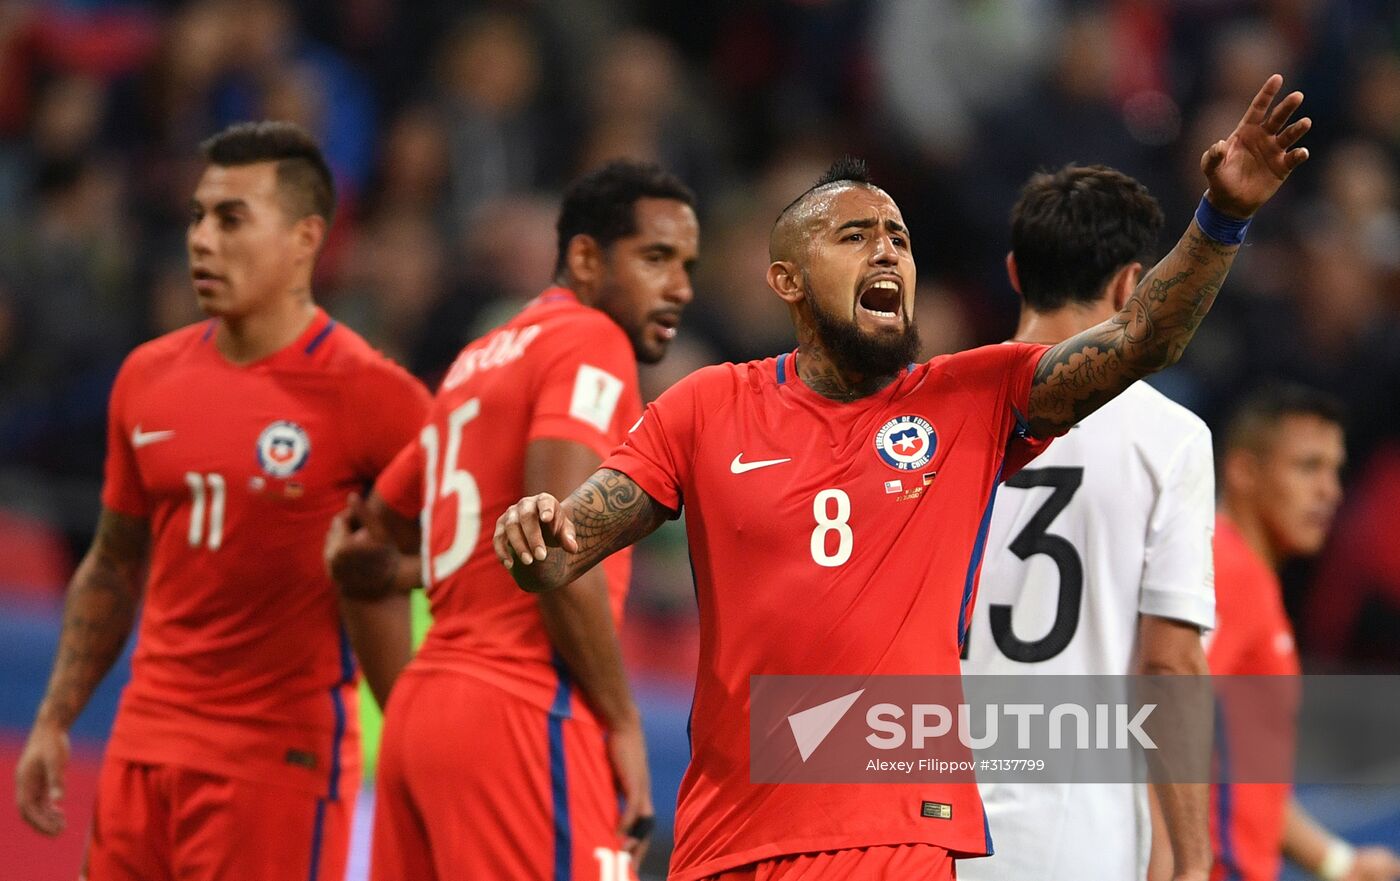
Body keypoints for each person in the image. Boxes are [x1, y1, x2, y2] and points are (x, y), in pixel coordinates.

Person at [494, 75, 1309, 880]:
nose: (888, 248)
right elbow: (567, 544)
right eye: (854, 235)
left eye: (900, 237)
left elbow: (1141, 339)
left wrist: (1224, 216)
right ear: (787, 279)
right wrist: (537, 535)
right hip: (729, 838)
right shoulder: (707, 406)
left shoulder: (970, 397)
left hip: (895, 838)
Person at [13, 121, 431, 881]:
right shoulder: (147, 377)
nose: (203, 238)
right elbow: (113, 563)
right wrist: (54, 716)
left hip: (277, 763)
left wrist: (393, 575)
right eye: (198, 216)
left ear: (306, 238)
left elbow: (469, 545)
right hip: (144, 748)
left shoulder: (376, 397)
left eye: (232, 218)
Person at [324, 159, 699, 881]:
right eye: (656, 258)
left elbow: (360, 559)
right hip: (528, 713)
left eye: (687, 264)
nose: (680, 286)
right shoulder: (592, 340)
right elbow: (559, 545)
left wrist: (412, 707)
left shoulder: (477, 359)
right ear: (585, 257)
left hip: (425, 720)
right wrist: (622, 720)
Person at [960, 164, 1214, 881]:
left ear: (1015, 272)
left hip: (920, 818)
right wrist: (1194, 858)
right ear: (1132, 284)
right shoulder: (1169, 437)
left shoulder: (924, 415)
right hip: (1075, 835)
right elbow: (1167, 663)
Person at [1209, 387, 1400, 881]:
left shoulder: (1247, 576)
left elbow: (1248, 781)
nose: (1330, 490)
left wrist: (1337, 863)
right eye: (1308, 467)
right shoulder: (1228, 571)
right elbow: (1160, 723)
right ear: (1244, 472)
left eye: (1335, 470)